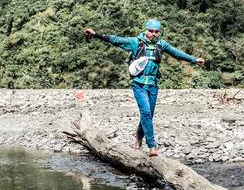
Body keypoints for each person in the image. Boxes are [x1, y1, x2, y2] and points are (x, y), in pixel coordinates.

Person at [84, 20, 204, 156]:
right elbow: (115, 40)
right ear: (146, 30)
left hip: (153, 84)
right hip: (138, 83)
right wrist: (95, 34)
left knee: (149, 115)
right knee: (146, 112)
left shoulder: (161, 44)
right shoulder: (136, 42)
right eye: (151, 31)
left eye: (156, 31)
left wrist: (193, 59)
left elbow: (176, 53)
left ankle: (139, 135)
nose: (153, 34)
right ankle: (152, 146)